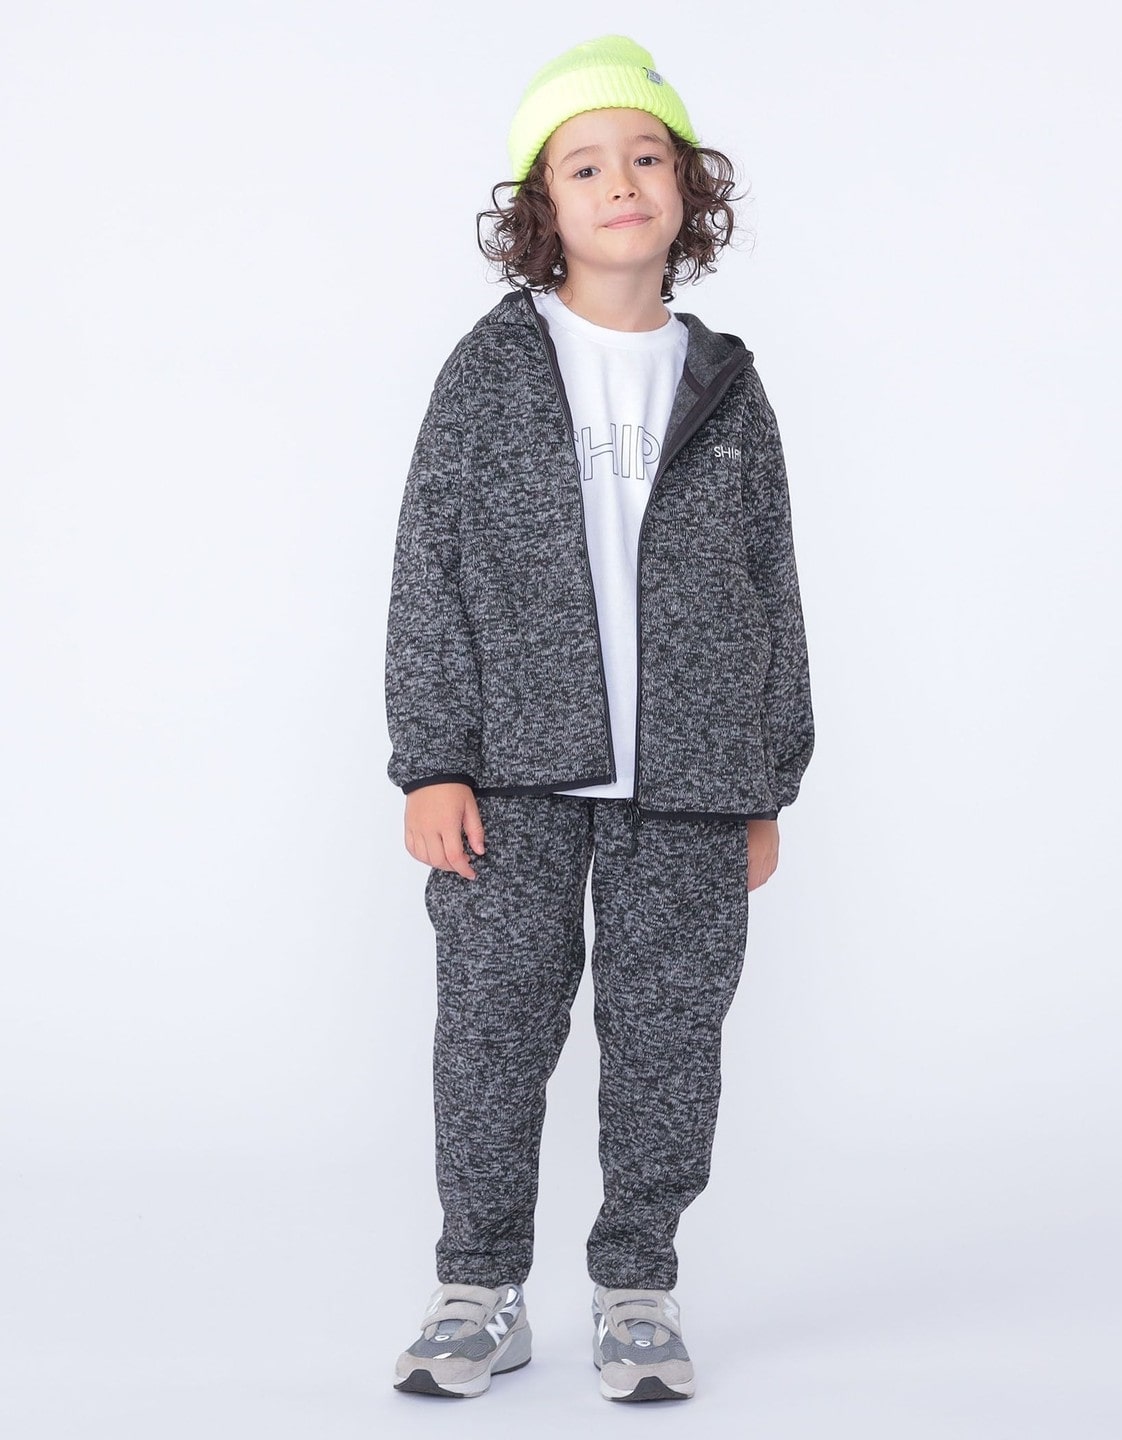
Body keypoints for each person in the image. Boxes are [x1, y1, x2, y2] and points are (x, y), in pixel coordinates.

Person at [384, 35, 815, 1403]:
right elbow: (429, 566)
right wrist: (432, 761)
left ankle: (638, 1285)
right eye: (584, 166)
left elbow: (770, 585)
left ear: (688, 190)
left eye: (645, 157)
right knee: (493, 1034)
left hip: (691, 784)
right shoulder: (491, 369)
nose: (619, 182)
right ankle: (478, 1287)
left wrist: (765, 780)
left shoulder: (727, 381)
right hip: (512, 777)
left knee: (670, 1044)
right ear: (541, 207)